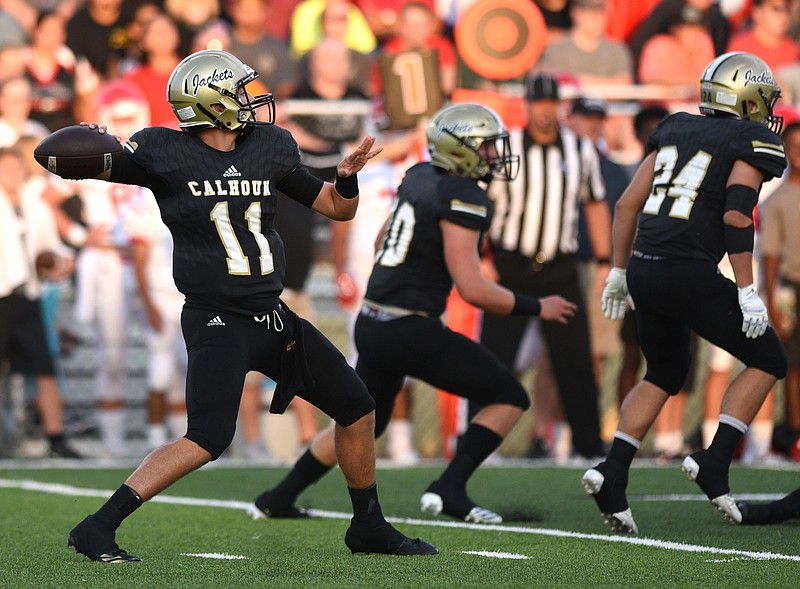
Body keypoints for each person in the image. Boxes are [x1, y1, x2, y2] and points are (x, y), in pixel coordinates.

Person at [49, 48, 436, 561]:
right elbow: (55, 154)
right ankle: (98, 526)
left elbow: (335, 209)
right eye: (239, 91)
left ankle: (368, 525)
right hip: (216, 319)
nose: (252, 101)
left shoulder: (269, 146)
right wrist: (91, 143)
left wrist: (345, 176)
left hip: (273, 317)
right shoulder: (162, 151)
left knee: (358, 407)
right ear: (211, 103)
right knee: (208, 437)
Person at [250, 103, 576, 524]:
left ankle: (278, 497)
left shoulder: (420, 175)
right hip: (409, 327)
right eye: (488, 148)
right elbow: (474, 289)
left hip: (374, 320)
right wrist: (538, 306)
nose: (495, 157)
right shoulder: (463, 195)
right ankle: (449, 488)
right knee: (509, 396)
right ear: (462, 151)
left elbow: (382, 241)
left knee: (363, 420)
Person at [583, 51, 788, 534]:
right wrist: (747, 290)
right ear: (747, 97)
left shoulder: (675, 126)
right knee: (770, 359)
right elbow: (737, 217)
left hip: (645, 267)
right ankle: (715, 458)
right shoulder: (751, 138)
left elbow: (627, 203)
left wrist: (618, 272)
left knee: (665, 371)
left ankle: (612, 471)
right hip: (687, 272)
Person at [481, 72, 610, 461]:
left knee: (575, 359)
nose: (545, 111)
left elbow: (594, 202)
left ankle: (588, 445)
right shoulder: (506, 148)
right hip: (509, 265)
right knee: (494, 357)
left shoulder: (580, 150)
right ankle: (481, 442)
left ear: (560, 107)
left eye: (551, 103)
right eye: (538, 103)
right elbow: (480, 204)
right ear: (527, 106)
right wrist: (482, 256)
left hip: (559, 266)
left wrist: (604, 260)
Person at [0, 145, 81, 459]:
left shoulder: (36, 207)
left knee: (45, 368)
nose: (13, 175)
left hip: (28, 297)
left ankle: (56, 439)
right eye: (6, 169)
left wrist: (60, 266)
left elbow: (49, 251)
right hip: (2, 296)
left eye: (17, 169)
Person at [759, 120, 800, 458]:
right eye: (793, 146)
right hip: (792, 288)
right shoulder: (775, 200)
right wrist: (772, 300)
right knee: (794, 366)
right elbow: (770, 255)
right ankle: (795, 432)